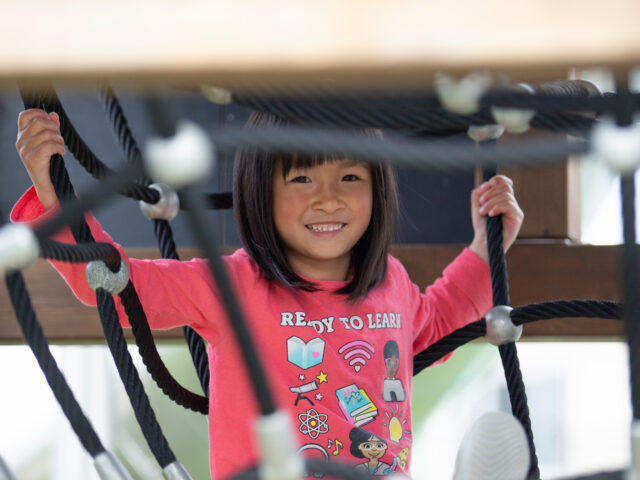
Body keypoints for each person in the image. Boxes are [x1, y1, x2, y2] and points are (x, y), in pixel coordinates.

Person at [12, 108, 524, 479]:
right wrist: (56, 197)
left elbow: (436, 324)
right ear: (263, 192)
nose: (329, 198)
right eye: (302, 177)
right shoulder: (232, 284)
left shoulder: (388, 283)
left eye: (350, 175)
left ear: (377, 190)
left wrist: (486, 248)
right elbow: (119, 287)